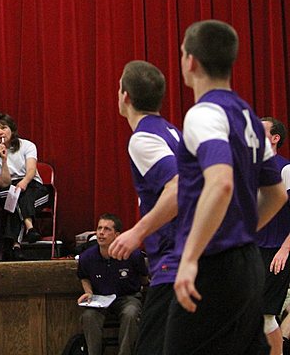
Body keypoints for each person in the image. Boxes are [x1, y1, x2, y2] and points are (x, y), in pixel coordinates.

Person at [166, 20, 287, 355]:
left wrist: (190, 258)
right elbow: (276, 194)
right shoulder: (248, 115)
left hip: (211, 265)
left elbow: (220, 183)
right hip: (247, 263)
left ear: (190, 61)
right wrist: (241, 233)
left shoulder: (203, 114)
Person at [108, 60, 180, 355]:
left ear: (125, 96)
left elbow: (178, 187)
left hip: (175, 261)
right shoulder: (173, 131)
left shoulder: (143, 138)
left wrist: (136, 232)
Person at [77, 213, 147, 355]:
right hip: (100, 299)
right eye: (99, 228)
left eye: (107, 229)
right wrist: (88, 292)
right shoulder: (87, 257)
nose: (101, 233)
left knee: (131, 313)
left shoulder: (132, 254)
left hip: (127, 297)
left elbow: (144, 277)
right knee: (88, 316)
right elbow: (83, 277)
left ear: (117, 235)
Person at [0, 112, 48, 260]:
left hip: (31, 184)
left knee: (16, 199)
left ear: (12, 130)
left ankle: (15, 245)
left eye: (4, 127)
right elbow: (4, 183)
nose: (0, 132)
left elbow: (31, 170)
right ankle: (30, 228)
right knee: (12, 194)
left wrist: (24, 183)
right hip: (9, 188)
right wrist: (3, 160)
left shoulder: (27, 145)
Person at [257, 117, 290, 355]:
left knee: (266, 315)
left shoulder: (285, 169)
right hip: (250, 251)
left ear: (275, 138)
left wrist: (285, 249)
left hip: (275, 251)